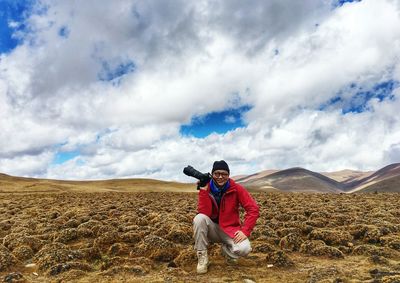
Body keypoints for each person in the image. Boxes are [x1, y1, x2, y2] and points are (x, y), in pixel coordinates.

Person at [193, 160, 260, 274]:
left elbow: (253, 209)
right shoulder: (206, 187)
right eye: (217, 173)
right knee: (199, 218)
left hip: (230, 230)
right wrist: (203, 191)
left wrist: (245, 230)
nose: (220, 177)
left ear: (228, 175)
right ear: (212, 174)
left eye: (224, 174)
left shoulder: (236, 188)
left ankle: (227, 251)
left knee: (244, 249)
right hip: (211, 229)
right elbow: (204, 212)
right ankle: (202, 257)